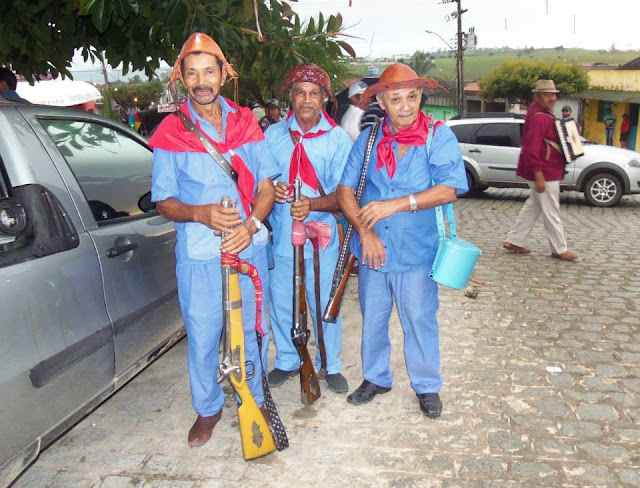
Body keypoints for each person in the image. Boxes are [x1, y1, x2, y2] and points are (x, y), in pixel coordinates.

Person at [149, 32, 277, 448]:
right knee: (203, 335)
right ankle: (207, 408)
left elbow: (266, 187)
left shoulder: (246, 123)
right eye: (192, 73)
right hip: (200, 253)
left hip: (247, 248)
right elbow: (163, 201)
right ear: (181, 78)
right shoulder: (170, 131)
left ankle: (254, 399)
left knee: (253, 330)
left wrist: (250, 225)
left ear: (223, 75)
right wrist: (199, 213)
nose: (201, 81)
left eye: (209, 72)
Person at [336, 63, 467, 418]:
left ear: (420, 96)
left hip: (417, 250)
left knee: (419, 319)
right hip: (373, 250)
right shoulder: (368, 140)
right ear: (382, 102)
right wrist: (364, 232)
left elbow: (450, 189)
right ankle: (376, 377)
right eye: (396, 99)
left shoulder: (437, 137)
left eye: (412, 97)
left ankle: (426, 385)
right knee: (373, 318)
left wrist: (397, 203)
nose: (406, 106)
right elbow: (345, 190)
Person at [265, 64, 352, 394]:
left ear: (324, 99)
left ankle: (330, 363)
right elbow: (259, 183)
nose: (306, 99)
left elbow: (345, 194)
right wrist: (272, 191)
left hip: (322, 239)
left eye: (314, 93)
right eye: (300, 93)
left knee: (324, 303)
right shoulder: (272, 136)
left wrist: (312, 204)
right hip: (282, 236)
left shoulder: (338, 139)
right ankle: (288, 359)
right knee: (282, 301)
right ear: (291, 97)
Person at [503, 79, 577, 261]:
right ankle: (559, 249)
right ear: (537, 96)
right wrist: (539, 174)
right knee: (551, 210)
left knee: (534, 206)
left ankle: (514, 240)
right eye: (547, 94)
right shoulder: (539, 118)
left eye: (553, 94)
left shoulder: (540, 114)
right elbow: (532, 148)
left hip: (545, 170)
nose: (552, 98)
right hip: (545, 171)